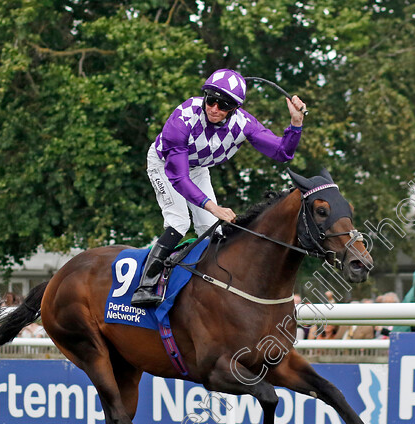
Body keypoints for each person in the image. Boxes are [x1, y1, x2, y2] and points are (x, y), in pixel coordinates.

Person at [131, 69, 307, 307]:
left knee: (211, 229)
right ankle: (146, 285)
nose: (214, 108)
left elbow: (282, 152)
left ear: (234, 108)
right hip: (166, 165)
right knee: (179, 222)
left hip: (198, 168)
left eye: (223, 105)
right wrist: (213, 207)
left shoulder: (244, 124)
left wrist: (296, 123)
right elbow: (179, 177)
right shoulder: (183, 118)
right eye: (210, 100)